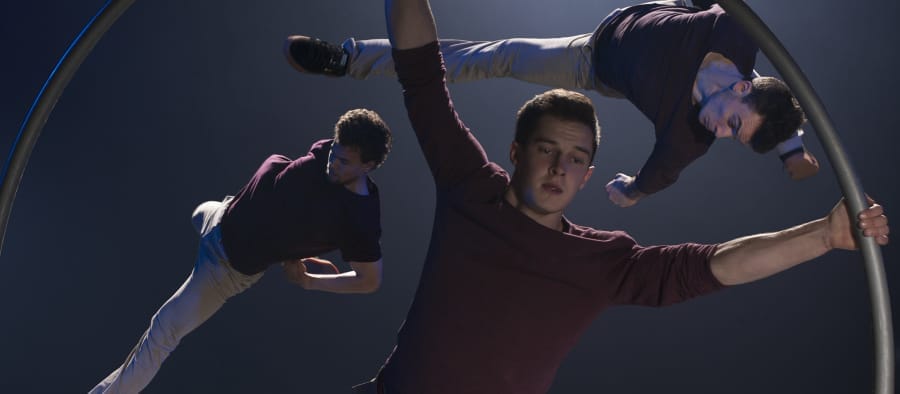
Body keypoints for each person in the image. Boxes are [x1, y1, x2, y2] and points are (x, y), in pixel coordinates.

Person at [347, 0, 890, 392]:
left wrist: (822, 234)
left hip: (612, 63)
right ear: (516, 152)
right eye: (547, 150)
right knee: (504, 54)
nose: (561, 167)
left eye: (577, 159)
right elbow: (423, 81)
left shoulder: (606, 254)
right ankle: (350, 55)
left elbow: (713, 265)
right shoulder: (471, 189)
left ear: (587, 175)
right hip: (601, 47)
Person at [283, 0, 820, 208]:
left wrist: (628, 192)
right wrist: (794, 148)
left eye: (733, 136)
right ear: (744, 84)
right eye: (732, 123)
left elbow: (650, 181)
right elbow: (776, 90)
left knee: (497, 56)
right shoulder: (735, 33)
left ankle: (347, 59)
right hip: (664, 11)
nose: (718, 132)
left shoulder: (687, 138)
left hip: (592, 60)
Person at [89, 108, 393, 394]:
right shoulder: (332, 150)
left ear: (367, 166)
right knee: (198, 210)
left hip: (222, 269)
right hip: (222, 215)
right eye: (334, 152)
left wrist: (309, 280)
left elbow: (370, 280)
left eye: (343, 162)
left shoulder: (359, 218)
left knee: (163, 331)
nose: (332, 162)